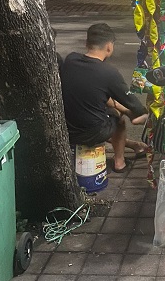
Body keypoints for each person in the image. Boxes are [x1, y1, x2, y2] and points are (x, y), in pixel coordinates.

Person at [61, 23, 149, 173]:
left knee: (107, 112)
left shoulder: (71, 60)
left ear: (87, 43)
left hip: (67, 128)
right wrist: (143, 114)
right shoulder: (109, 73)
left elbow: (99, 94)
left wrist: (126, 110)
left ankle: (134, 145)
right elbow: (133, 103)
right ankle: (119, 162)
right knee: (118, 119)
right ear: (109, 46)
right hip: (91, 132)